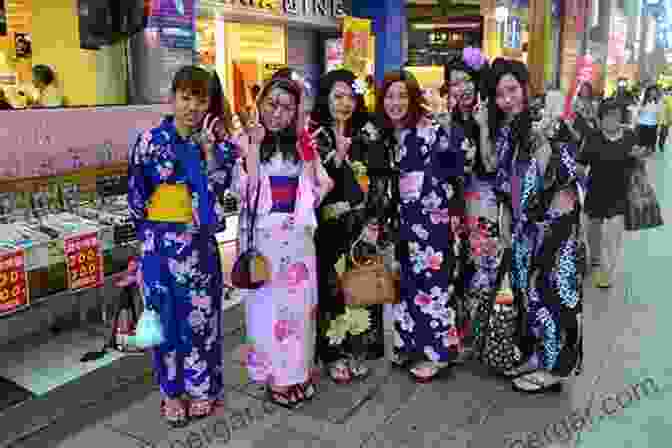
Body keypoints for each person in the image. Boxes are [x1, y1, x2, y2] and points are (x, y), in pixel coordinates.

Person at [127, 66, 238, 426]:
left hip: (200, 249)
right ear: (171, 98)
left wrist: (207, 156)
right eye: (185, 97)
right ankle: (172, 393)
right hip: (159, 249)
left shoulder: (217, 145)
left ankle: (202, 388)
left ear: (210, 103)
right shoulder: (149, 142)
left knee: (202, 321)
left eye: (200, 98)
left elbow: (222, 200)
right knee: (165, 323)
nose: (192, 106)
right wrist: (146, 244)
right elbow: (136, 199)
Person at [486, 58, 584, 392]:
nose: (507, 99)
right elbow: (501, 177)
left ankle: (554, 368)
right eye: (500, 94)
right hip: (522, 229)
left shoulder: (547, 122)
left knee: (552, 294)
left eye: (512, 90)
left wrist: (544, 142)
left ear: (525, 88)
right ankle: (537, 356)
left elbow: (567, 173)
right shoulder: (506, 129)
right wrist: (506, 223)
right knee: (530, 296)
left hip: (553, 229)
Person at [235, 75, 331, 409]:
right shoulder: (247, 140)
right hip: (264, 240)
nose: (278, 113)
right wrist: (253, 147)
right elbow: (246, 192)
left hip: (297, 239)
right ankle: (277, 378)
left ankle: (299, 373)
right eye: (271, 104)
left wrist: (311, 172)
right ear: (260, 105)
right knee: (268, 313)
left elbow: (323, 184)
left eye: (287, 107)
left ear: (296, 112)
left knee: (300, 310)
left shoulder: (303, 144)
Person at [383, 70, 467, 383]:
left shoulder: (429, 129)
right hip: (407, 223)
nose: (396, 102)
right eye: (390, 96)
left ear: (414, 98)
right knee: (407, 287)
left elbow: (457, 165)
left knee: (433, 288)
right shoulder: (392, 134)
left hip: (432, 223)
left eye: (402, 95)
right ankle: (410, 343)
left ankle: (439, 354)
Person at [311, 69, 384, 384]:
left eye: (350, 97)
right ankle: (333, 355)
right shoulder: (317, 134)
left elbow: (381, 174)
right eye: (337, 97)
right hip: (331, 226)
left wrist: (377, 217)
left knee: (363, 289)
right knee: (333, 290)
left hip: (363, 225)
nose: (344, 104)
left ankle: (358, 351)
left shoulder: (368, 131)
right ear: (325, 98)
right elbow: (316, 182)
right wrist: (337, 158)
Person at [443, 58, 501, 363]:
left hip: (483, 204)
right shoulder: (448, 119)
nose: (461, 88)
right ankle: (464, 332)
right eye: (454, 82)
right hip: (456, 205)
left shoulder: (490, 115)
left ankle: (486, 334)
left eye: (467, 80)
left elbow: (490, 165)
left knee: (484, 266)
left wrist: (482, 127)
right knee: (459, 267)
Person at [578, 99, 649, 288]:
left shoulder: (629, 136)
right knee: (592, 230)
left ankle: (606, 273)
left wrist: (639, 158)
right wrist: (576, 174)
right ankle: (594, 258)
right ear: (600, 119)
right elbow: (581, 163)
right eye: (608, 117)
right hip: (595, 192)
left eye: (616, 117)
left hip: (619, 194)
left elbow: (639, 163)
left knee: (613, 235)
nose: (612, 121)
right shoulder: (593, 137)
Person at [636, 85, 662, 153]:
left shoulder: (658, 102)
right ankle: (641, 155)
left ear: (656, 93)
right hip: (642, 123)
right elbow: (638, 112)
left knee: (650, 143)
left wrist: (659, 126)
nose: (653, 93)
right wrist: (641, 109)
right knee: (641, 143)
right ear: (648, 92)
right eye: (651, 91)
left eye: (655, 91)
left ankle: (648, 151)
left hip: (652, 124)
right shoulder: (643, 100)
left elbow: (659, 114)